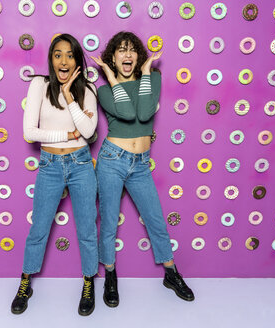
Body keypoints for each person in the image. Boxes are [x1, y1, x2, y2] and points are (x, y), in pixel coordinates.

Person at [91, 31, 195, 307]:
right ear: (112, 58)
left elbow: (145, 113)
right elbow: (126, 113)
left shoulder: (153, 78)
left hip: (140, 163)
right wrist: (112, 79)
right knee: (109, 221)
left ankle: (171, 273)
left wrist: (147, 71)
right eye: (121, 51)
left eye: (132, 50)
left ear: (138, 56)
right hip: (112, 160)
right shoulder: (103, 90)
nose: (127, 55)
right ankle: (110, 275)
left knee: (156, 218)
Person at [11, 33, 98, 316]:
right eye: (58, 54)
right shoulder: (39, 85)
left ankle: (88, 282)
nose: (63, 60)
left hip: (82, 165)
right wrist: (67, 134)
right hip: (49, 165)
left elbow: (88, 133)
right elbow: (29, 133)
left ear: (78, 61)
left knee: (86, 229)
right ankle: (26, 281)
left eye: (70, 55)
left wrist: (70, 96)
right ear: (51, 58)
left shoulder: (90, 90)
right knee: (39, 228)